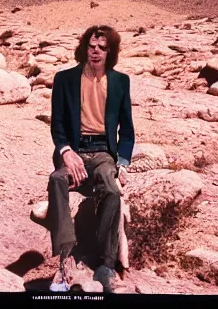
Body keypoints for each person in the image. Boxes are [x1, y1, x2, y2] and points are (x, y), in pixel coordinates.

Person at [46, 24, 135, 293]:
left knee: (110, 188)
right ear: (85, 48)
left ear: (110, 52)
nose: (95, 52)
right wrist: (66, 152)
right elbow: (57, 125)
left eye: (102, 48)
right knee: (57, 180)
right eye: (91, 46)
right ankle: (66, 257)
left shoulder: (121, 81)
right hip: (74, 150)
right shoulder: (64, 79)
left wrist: (122, 162)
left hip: (103, 153)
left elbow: (127, 131)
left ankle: (106, 264)